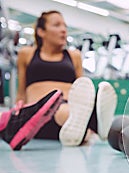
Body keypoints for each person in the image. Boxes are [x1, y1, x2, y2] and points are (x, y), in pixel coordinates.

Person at [12, 10, 117, 149]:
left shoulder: (74, 56)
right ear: (41, 31)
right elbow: (21, 91)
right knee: (64, 112)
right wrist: (17, 113)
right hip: (39, 112)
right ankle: (94, 124)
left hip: (70, 106)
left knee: (70, 112)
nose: (63, 30)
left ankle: (87, 126)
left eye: (65, 26)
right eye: (57, 25)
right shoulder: (26, 54)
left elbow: (84, 88)